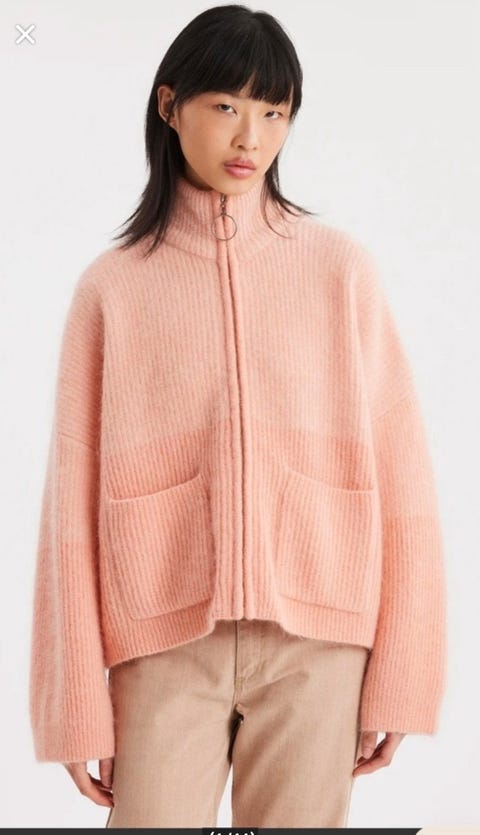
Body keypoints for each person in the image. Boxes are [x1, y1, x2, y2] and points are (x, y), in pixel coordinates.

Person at [28, 3, 448, 828]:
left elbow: (404, 481)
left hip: (319, 649)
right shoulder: (112, 289)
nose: (250, 137)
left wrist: (402, 674)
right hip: (161, 647)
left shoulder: (340, 273)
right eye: (225, 105)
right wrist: (75, 701)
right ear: (169, 105)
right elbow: (68, 509)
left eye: (274, 112)